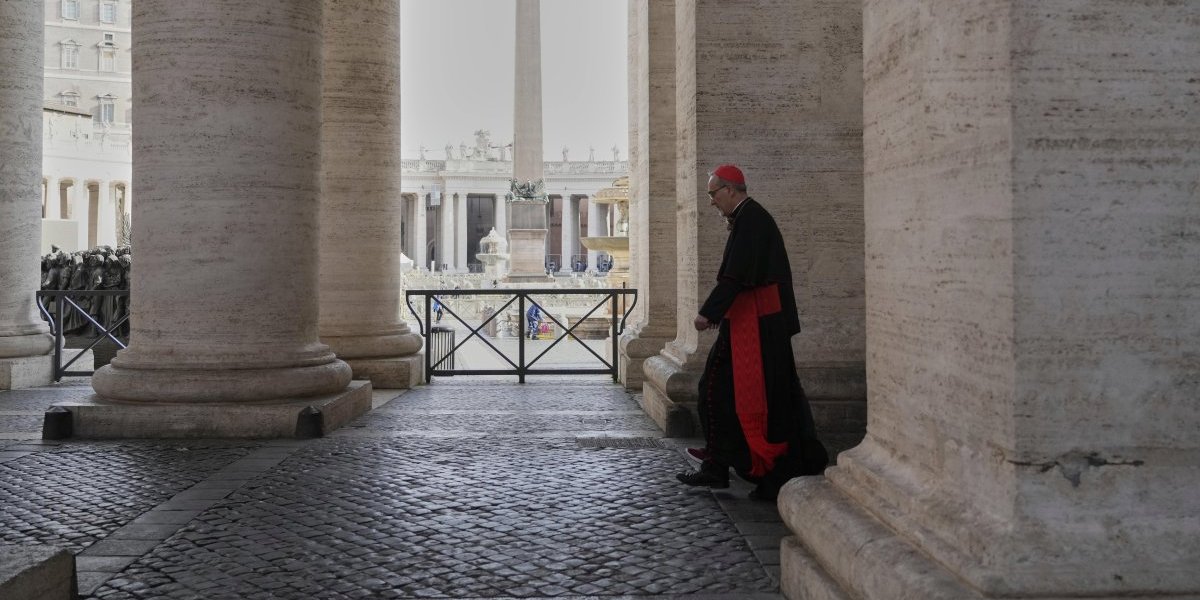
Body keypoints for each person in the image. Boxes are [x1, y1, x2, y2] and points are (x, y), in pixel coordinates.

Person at [676, 164, 828, 501]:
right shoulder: (750, 218)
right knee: (731, 390)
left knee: (719, 388)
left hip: (758, 326)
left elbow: (734, 277)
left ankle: (738, 466)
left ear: (731, 189)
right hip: (755, 322)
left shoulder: (752, 219)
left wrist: (708, 313)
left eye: (713, 194)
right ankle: (721, 461)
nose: (711, 202)